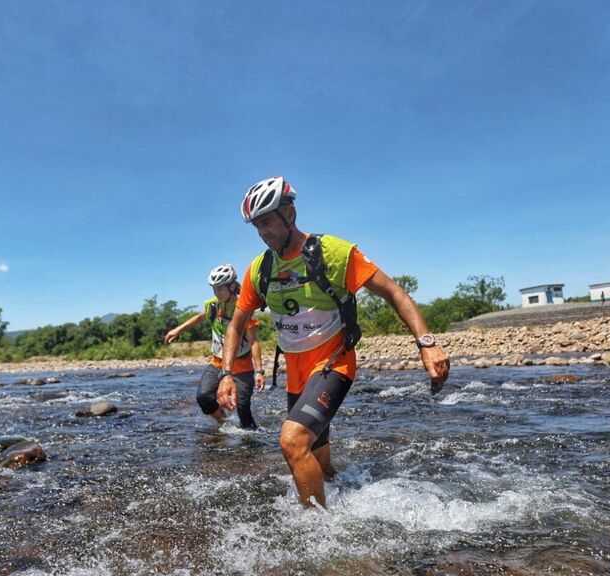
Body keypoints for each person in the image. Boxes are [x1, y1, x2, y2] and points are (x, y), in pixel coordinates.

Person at [218, 176, 450, 507]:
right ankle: (348, 498)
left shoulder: (334, 253)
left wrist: (426, 343)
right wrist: (227, 373)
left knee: (292, 441)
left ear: (290, 214)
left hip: (334, 364)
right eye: (257, 227)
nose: (262, 233)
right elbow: (236, 325)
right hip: (295, 375)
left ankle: (318, 534)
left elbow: (393, 291)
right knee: (319, 462)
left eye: (267, 222)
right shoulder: (260, 269)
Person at [164, 264, 265, 429]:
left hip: (242, 364)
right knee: (203, 397)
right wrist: (178, 330)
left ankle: (251, 442)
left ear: (232, 286)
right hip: (217, 361)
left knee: (243, 410)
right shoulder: (213, 305)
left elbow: (254, 341)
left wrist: (259, 371)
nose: (217, 293)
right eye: (214, 289)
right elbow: (199, 317)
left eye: (220, 289)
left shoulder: (243, 307)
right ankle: (225, 426)